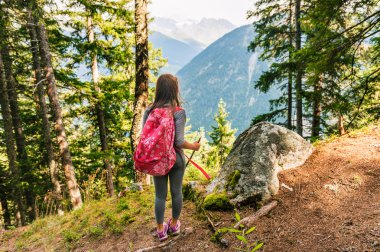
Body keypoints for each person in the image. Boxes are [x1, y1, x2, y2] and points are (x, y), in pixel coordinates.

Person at [142, 73, 201, 242]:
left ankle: (161, 230)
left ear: (159, 90)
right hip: (176, 158)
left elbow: (144, 137)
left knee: (159, 196)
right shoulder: (178, 112)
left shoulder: (149, 110)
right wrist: (194, 147)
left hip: (157, 160)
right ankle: (174, 225)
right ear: (174, 90)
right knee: (176, 193)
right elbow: (179, 141)